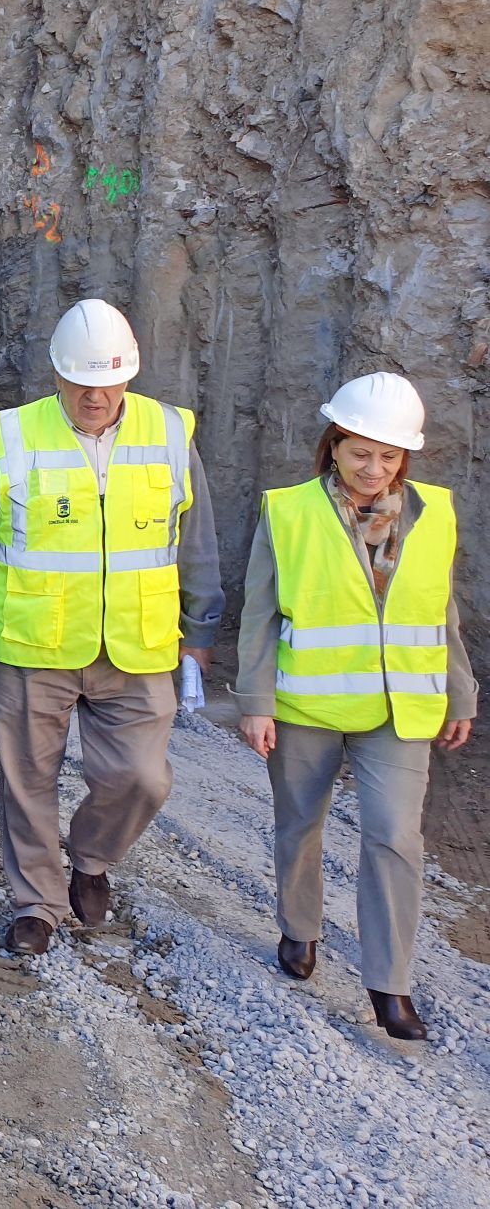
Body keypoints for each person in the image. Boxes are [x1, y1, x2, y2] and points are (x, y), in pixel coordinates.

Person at [0, 299, 222, 956]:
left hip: (137, 642)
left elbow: (196, 539)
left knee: (143, 778)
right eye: (80, 382)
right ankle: (36, 903)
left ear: (129, 374)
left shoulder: (169, 432)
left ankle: (89, 858)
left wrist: (199, 628)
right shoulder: (10, 435)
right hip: (34, 643)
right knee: (26, 780)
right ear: (56, 376)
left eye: (108, 380)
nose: (95, 395)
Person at [235, 372, 475, 1042]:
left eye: (389, 456)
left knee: (395, 837)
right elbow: (257, 612)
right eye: (360, 452)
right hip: (306, 703)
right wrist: (255, 702)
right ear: (333, 444)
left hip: (399, 708)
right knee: (298, 826)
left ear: (405, 458)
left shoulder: (432, 513)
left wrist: (458, 689)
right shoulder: (287, 511)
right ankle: (298, 927)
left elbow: (440, 611)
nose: (374, 470)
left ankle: (388, 986)